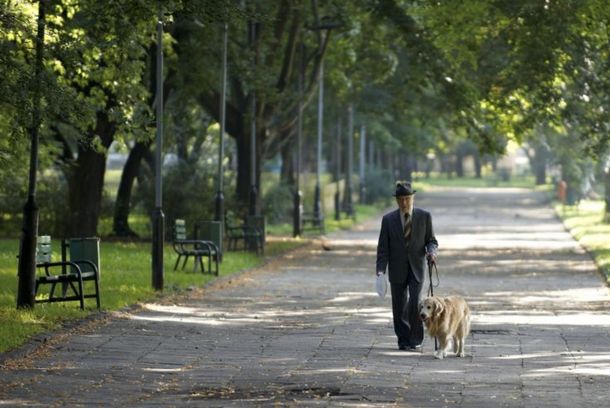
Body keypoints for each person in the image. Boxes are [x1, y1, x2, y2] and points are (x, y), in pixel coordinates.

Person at [376, 181, 438, 351]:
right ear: (396, 200)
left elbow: (431, 241)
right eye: (400, 199)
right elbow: (383, 248)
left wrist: (432, 252)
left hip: (417, 267)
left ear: (413, 198)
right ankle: (403, 339)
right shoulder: (388, 220)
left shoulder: (425, 216)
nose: (404, 203)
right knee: (399, 304)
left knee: (415, 302)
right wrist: (380, 269)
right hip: (397, 269)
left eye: (407, 199)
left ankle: (416, 338)